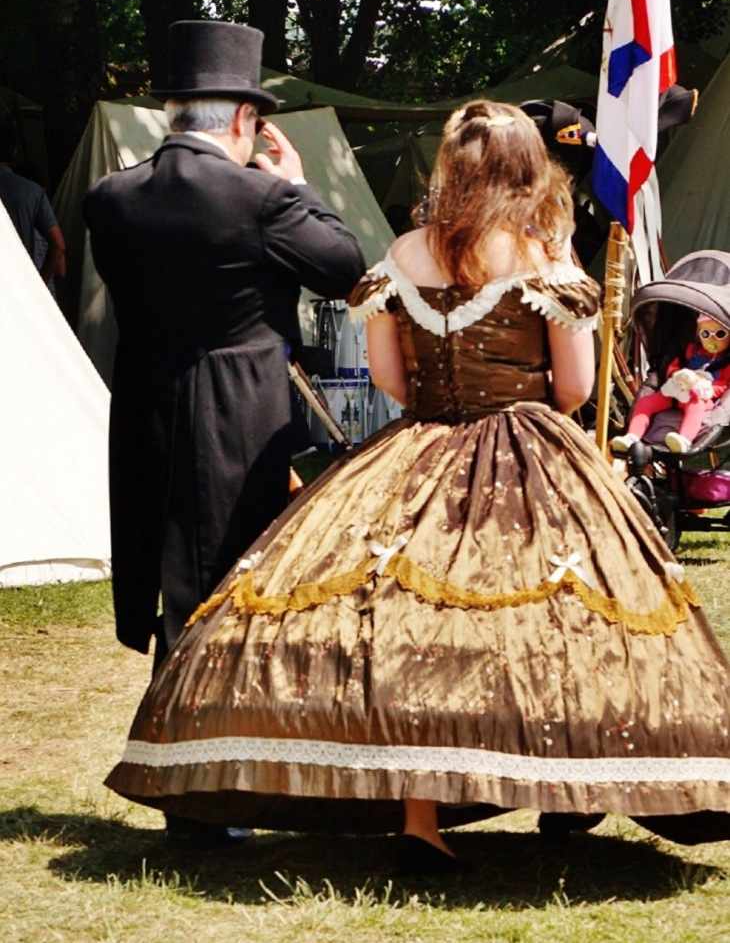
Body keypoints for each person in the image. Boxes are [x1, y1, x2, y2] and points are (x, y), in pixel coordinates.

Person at [105, 100, 730, 870]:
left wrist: (445, 402)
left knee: (409, 628)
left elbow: (388, 378)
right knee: (566, 616)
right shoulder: (545, 261)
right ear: (526, 168)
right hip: (529, 443)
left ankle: (420, 818)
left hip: (419, 444)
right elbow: (572, 388)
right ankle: (574, 793)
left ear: (451, 167)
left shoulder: (400, 257)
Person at [82, 20, 365, 840]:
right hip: (239, 409)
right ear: (244, 118)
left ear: (176, 111)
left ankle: (186, 778)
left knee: (175, 589)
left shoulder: (111, 198)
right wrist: (303, 186)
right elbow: (345, 268)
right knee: (234, 590)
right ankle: (214, 786)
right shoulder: (264, 197)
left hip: (143, 403)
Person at [612, 313, 730, 455]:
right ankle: (632, 437)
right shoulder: (691, 350)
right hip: (677, 390)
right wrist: (676, 375)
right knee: (646, 401)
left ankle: (684, 440)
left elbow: (724, 386)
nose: (712, 339)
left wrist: (706, 388)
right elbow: (674, 366)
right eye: (706, 333)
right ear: (699, 335)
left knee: (695, 405)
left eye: (720, 334)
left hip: (701, 396)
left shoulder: (726, 362)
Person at [0, 121, 66, 287]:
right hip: (25, 288)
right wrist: (39, 286)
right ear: (15, 152)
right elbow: (58, 245)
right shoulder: (33, 191)